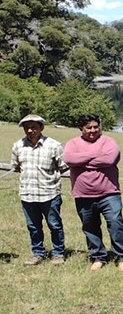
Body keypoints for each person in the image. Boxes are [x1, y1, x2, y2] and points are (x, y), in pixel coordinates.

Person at [63, 114, 123, 271]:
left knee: (115, 223)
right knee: (90, 227)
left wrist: (82, 162)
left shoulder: (108, 141)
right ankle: (98, 257)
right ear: (81, 129)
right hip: (83, 195)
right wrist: (94, 156)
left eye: (96, 127)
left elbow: (109, 159)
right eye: (89, 127)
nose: (93, 130)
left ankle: (120, 256)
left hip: (109, 193)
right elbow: (68, 158)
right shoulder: (73, 143)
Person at [11, 114, 68, 266]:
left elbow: (63, 166)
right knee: (33, 227)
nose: (30, 130)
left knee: (54, 225)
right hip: (28, 194)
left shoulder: (54, 145)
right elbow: (17, 166)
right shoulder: (17, 146)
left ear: (41, 128)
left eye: (34, 127)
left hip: (49, 193)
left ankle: (58, 253)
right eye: (27, 127)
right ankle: (38, 253)